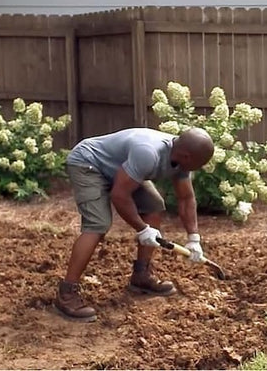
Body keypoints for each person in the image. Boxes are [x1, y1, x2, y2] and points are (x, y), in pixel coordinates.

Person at [55, 126, 215, 322]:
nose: (198, 169)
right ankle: (67, 293)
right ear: (187, 156)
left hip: (121, 170)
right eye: (199, 164)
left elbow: (186, 198)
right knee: (97, 224)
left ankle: (141, 275)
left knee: (153, 206)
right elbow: (120, 195)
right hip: (88, 163)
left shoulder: (182, 159)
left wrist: (194, 238)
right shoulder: (148, 153)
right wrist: (142, 228)